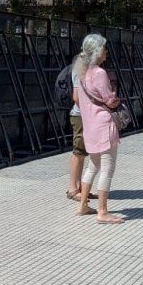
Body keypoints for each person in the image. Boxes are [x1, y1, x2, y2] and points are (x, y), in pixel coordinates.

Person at [75, 34, 123, 225]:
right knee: (107, 169)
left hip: (89, 125)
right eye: (104, 48)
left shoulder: (81, 72)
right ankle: (102, 211)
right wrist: (114, 98)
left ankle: (83, 205)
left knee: (92, 166)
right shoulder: (99, 73)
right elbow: (110, 99)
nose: (106, 51)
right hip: (103, 125)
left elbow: (78, 99)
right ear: (97, 52)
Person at [65, 47, 96, 203]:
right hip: (80, 115)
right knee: (78, 152)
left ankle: (79, 187)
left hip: (83, 115)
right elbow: (77, 97)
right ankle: (72, 189)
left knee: (82, 152)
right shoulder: (82, 66)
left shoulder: (86, 66)